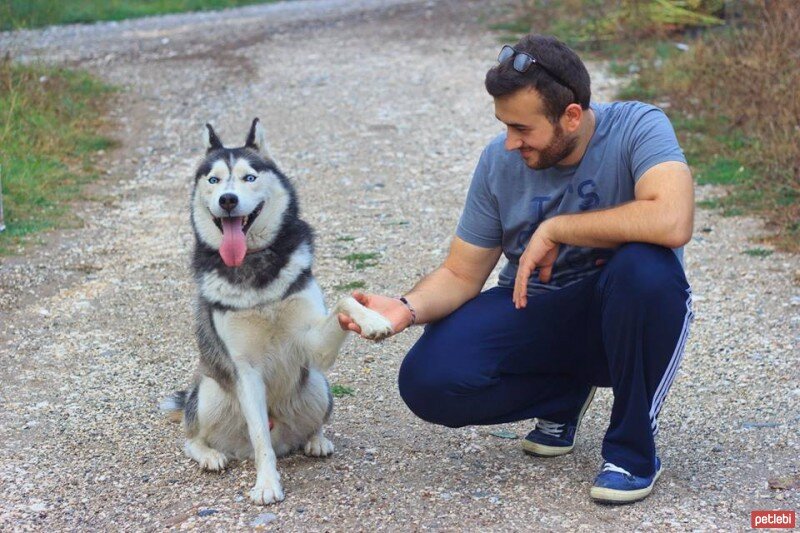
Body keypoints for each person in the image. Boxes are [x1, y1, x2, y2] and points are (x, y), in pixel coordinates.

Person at [338, 34, 694, 504]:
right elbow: (463, 274)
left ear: (570, 116)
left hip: (622, 314)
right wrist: (406, 307)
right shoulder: (497, 162)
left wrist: (559, 228)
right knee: (427, 381)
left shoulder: (638, 127)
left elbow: (672, 218)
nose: (510, 142)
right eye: (504, 125)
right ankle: (562, 399)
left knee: (647, 268)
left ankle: (632, 450)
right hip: (538, 308)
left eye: (522, 129)